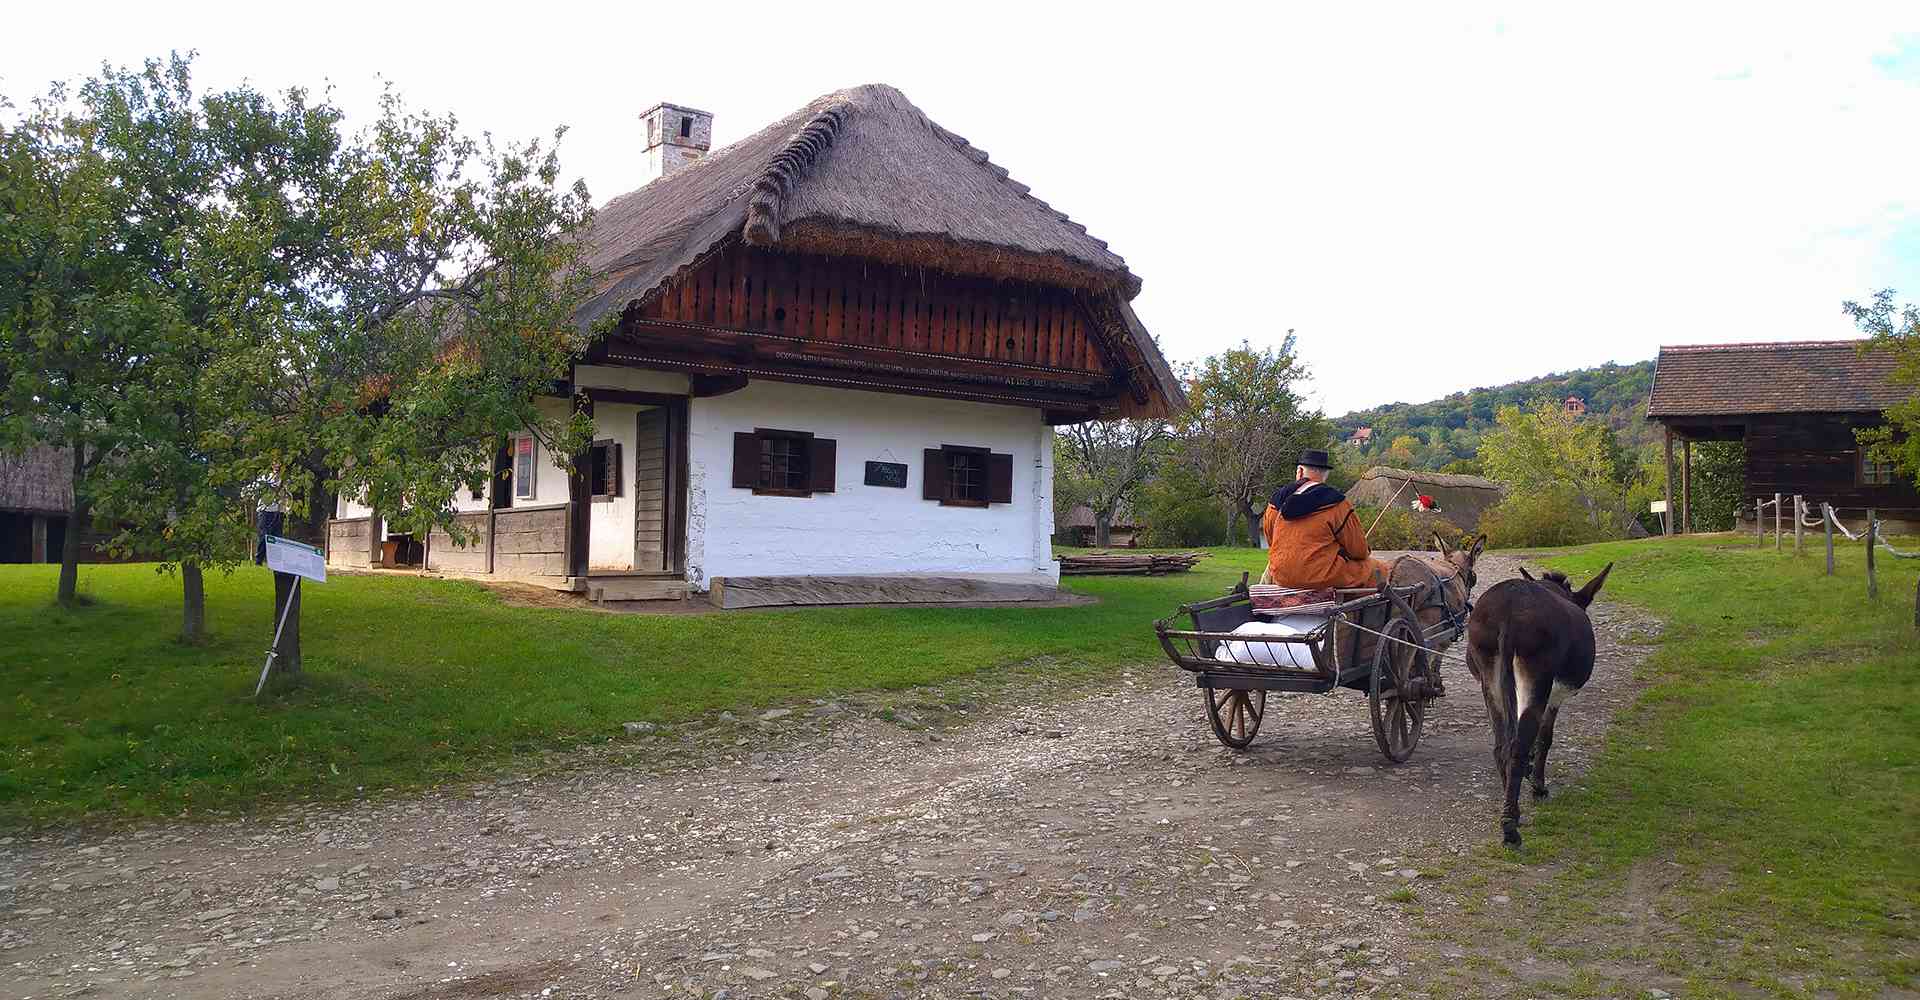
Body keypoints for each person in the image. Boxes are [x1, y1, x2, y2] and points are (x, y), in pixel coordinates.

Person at [1260, 449, 1392, 590]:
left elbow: (1272, 540)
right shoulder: (1337, 503)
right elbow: (1358, 550)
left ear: (1299, 471)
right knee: (1374, 568)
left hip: (1282, 576)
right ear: (1325, 475)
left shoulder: (1275, 503)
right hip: (1322, 576)